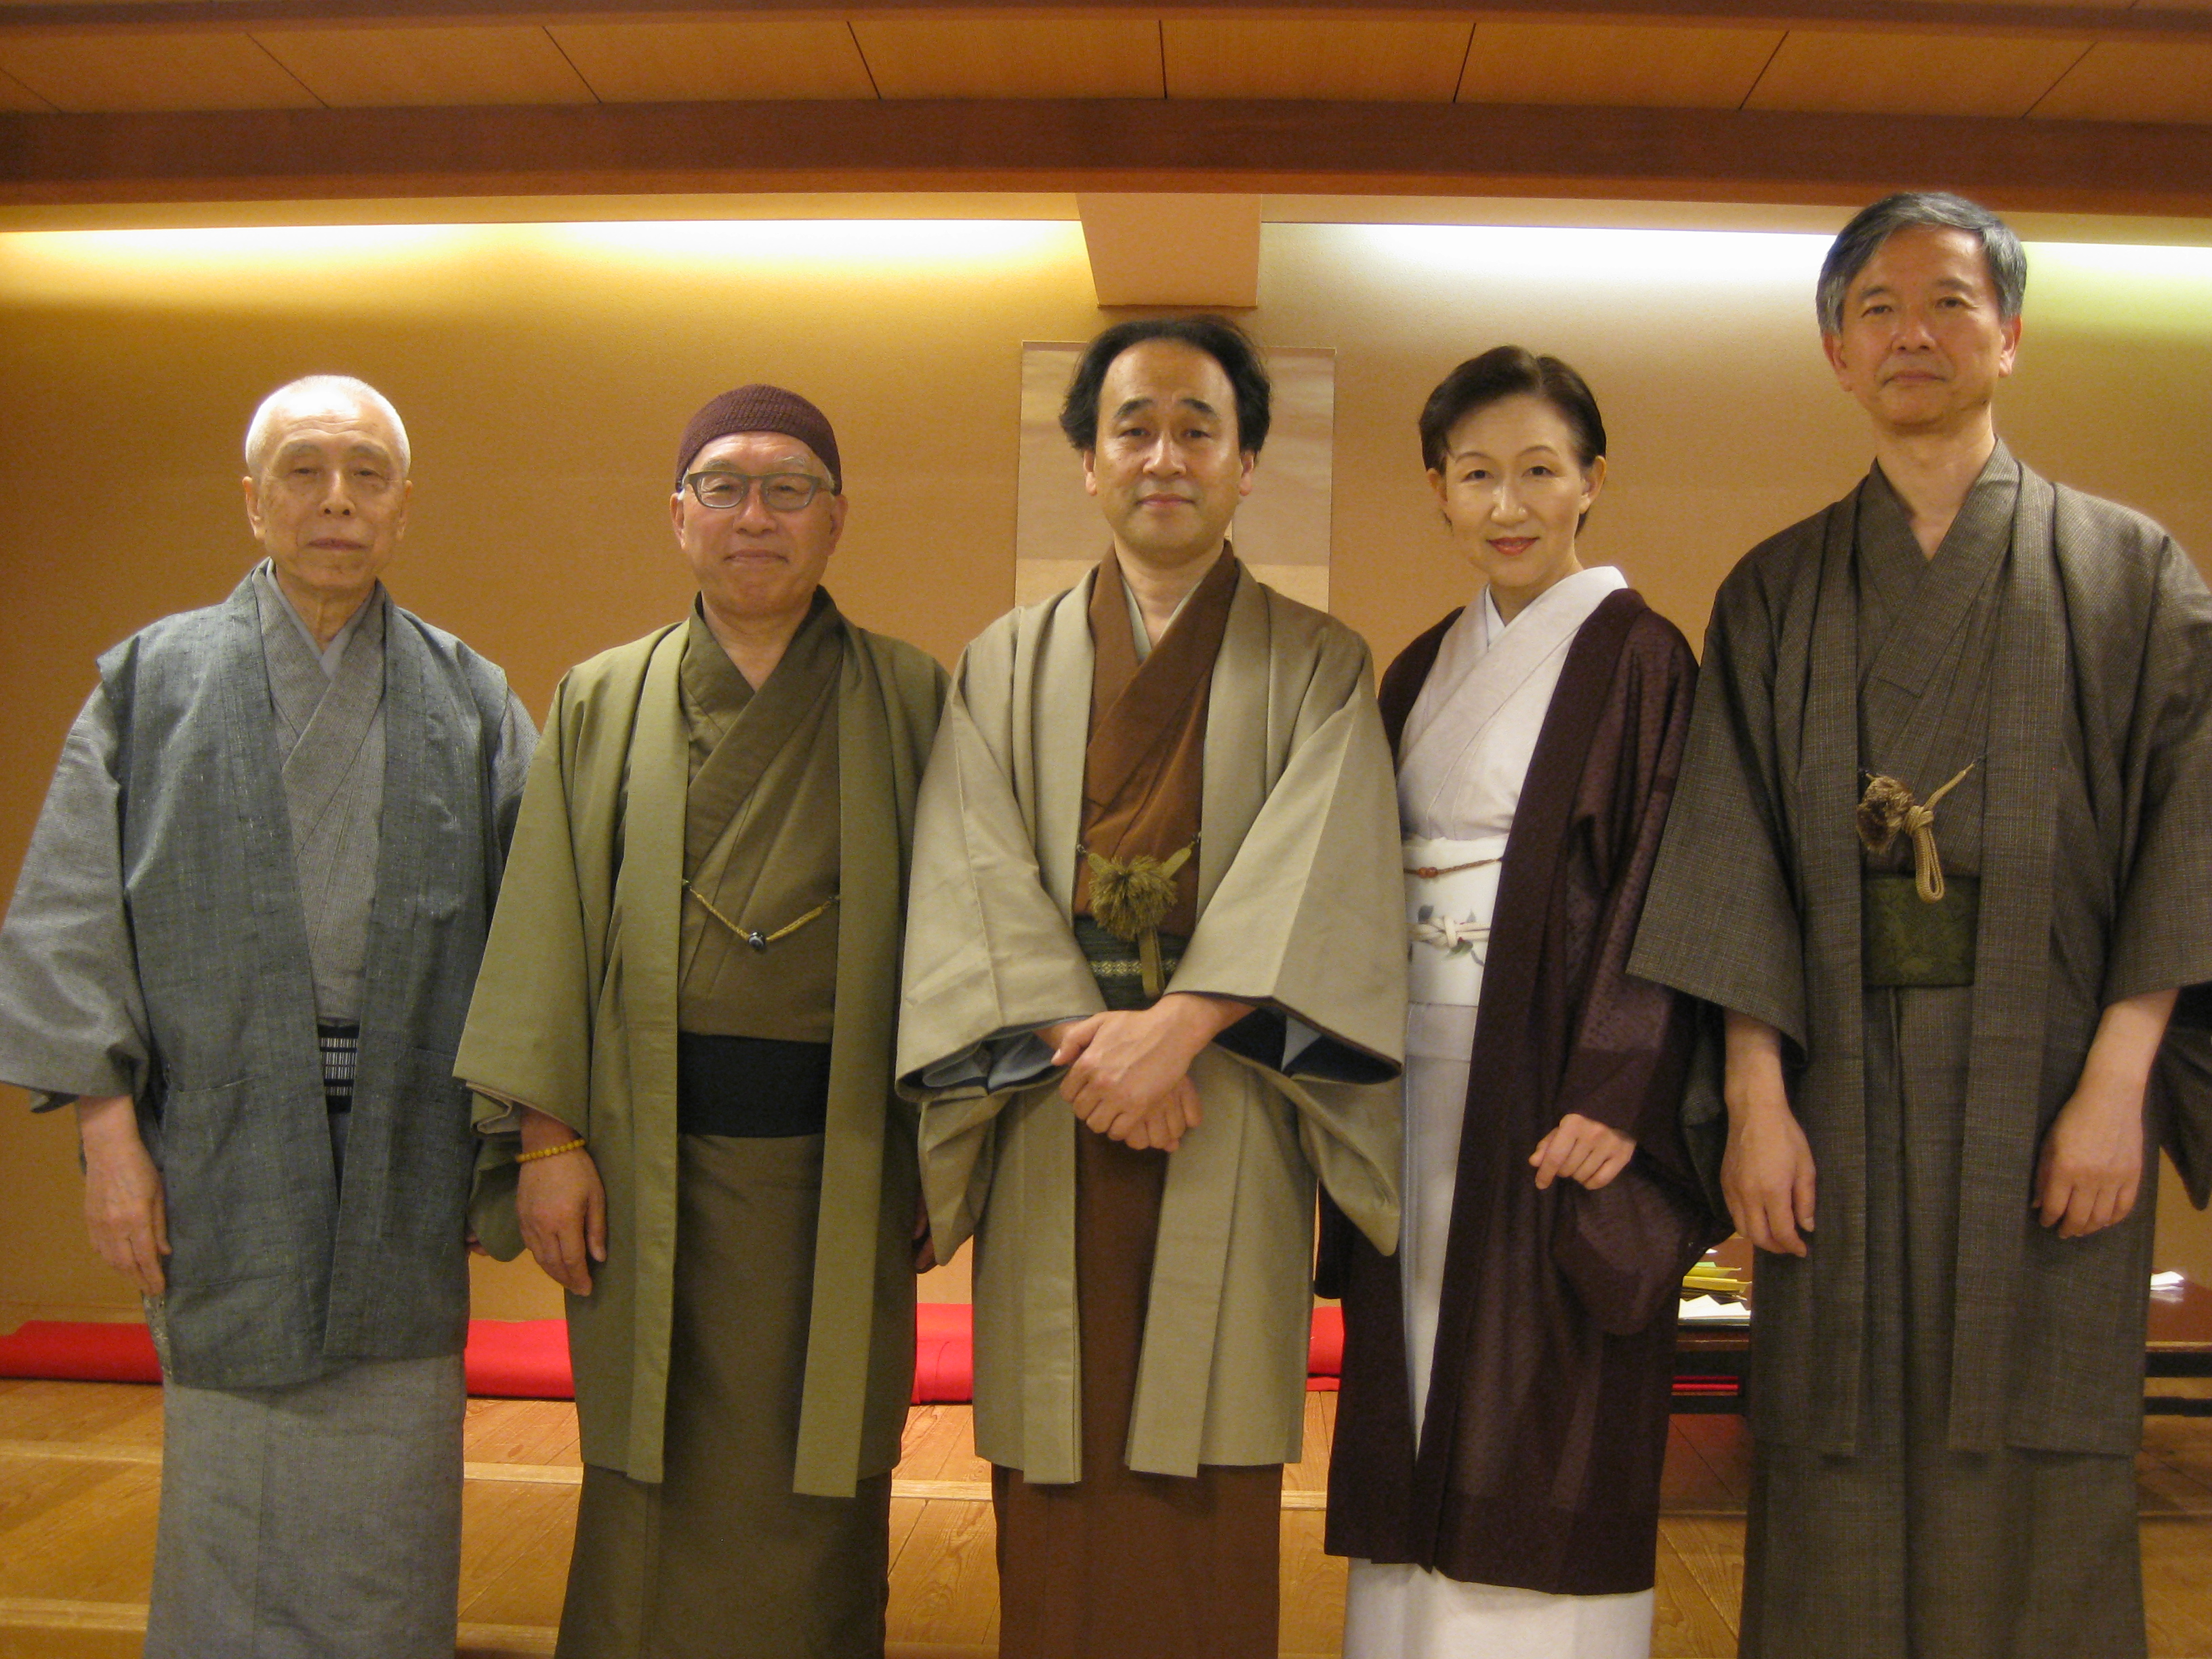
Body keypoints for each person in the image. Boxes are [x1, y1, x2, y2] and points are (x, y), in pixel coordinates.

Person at [1630, 192, 2212, 1657]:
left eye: (1950, 301)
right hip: (1835, 1082)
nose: (1914, 333)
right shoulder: (1776, 590)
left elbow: (2189, 838)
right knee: (1831, 1430)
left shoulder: (2130, 572)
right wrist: (1754, 1104)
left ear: (2009, 336)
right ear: (1837, 351)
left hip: (2055, 1081)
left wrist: (2119, 1090)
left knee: (2049, 1429)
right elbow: (1732, 857)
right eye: (1877, 307)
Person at [896, 314, 1406, 1659]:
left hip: (1229, 1093)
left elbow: (1326, 868)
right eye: (1134, 428)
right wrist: (1091, 1038)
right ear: (1088, 461)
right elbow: (969, 869)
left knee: (1209, 1452)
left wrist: (1180, 1028)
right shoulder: (1003, 663)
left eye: (1198, 428)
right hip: (1051, 1096)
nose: (1164, 457)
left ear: (1247, 463)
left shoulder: (1321, 663)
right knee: (1054, 1444)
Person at [0, 375, 533, 1658]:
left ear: (403, 505)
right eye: (303, 470)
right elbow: (68, 912)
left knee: (392, 1469)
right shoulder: (153, 681)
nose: (335, 499)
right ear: (254, 502)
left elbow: (539, 933)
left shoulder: (470, 696)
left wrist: (520, 1143)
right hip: (218, 1140)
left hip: (408, 1140)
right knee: (230, 1468)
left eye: (365, 473)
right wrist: (110, 1143)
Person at [455, 384, 947, 1659]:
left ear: (837, 517)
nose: (755, 517)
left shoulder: (910, 696)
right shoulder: (602, 697)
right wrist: (548, 1142)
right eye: (724, 487)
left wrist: (944, 1148)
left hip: (844, 1161)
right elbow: (547, 924)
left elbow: (964, 939)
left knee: (824, 1449)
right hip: (643, 1156)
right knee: (649, 1455)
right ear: (679, 515)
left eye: (789, 489)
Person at [1324, 346, 1724, 1658]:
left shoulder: (1643, 658)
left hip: (1556, 1074)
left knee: (1542, 1379)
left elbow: (1673, 877)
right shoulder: (1418, 669)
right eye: (1477, 474)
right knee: (1418, 1357)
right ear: (1437, 489)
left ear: (1591, 482)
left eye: (1540, 471)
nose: (1510, 505)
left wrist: (1621, 1086)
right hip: (1416, 1075)